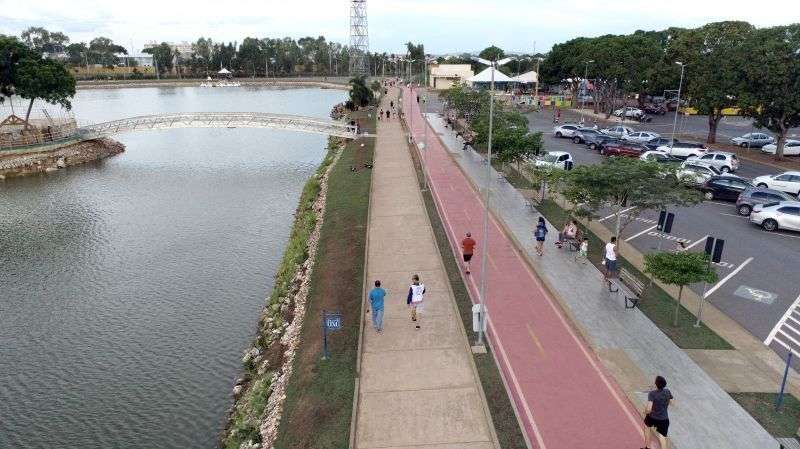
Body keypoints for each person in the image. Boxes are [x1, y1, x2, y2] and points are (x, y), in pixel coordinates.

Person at [643, 375, 674, 449]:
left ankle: (648, 447)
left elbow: (649, 409)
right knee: (662, 436)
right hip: (664, 419)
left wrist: (645, 411)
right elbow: (672, 403)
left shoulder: (652, 394)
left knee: (647, 427)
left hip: (652, 417)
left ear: (656, 384)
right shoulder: (667, 391)